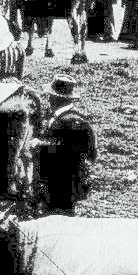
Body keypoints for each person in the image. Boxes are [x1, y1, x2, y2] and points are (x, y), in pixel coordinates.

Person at [34, 75, 97, 215]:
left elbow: (65, 152)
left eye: (50, 96)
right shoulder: (66, 117)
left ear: (57, 99)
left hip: (63, 183)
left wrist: (40, 145)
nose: (48, 99)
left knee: (58, 215)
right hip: (61, 180)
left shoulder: (71, 122)